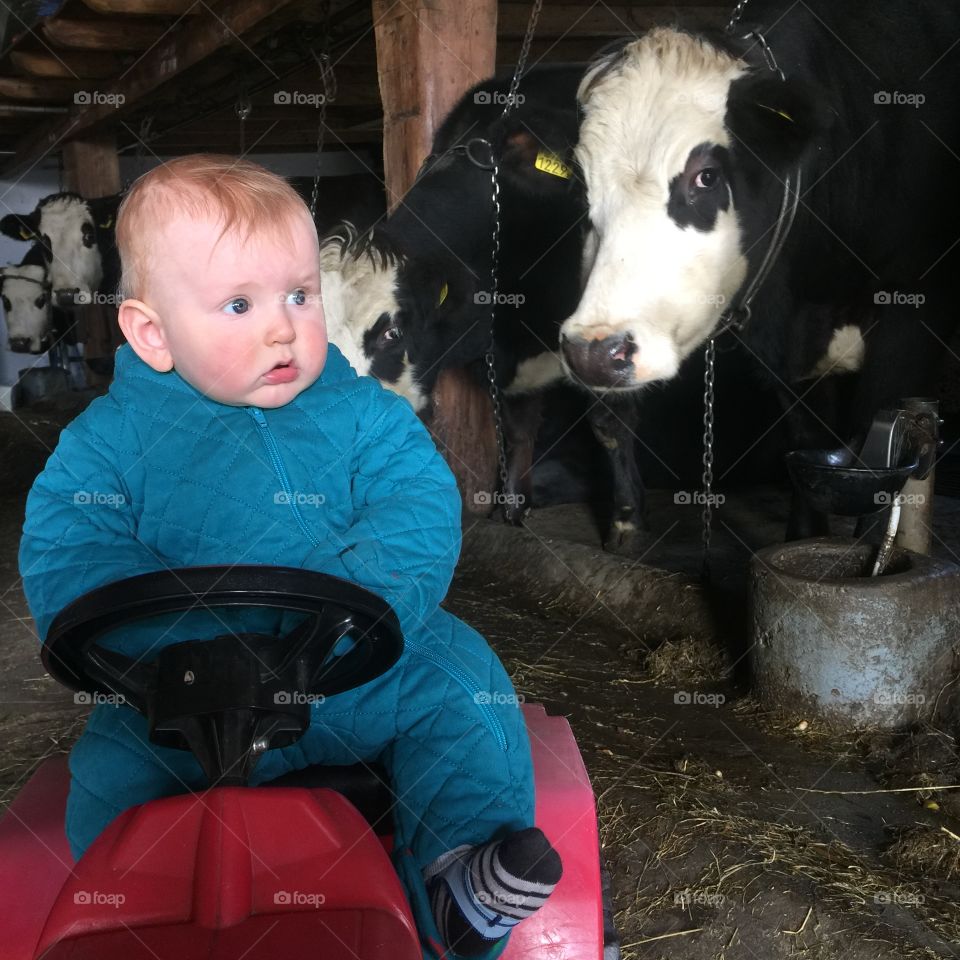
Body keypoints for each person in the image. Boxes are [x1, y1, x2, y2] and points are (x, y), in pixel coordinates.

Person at [18, 154, 561, 960]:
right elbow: (69, 548)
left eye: (299, 295)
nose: (283, 327)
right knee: (102, 771)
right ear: (152, 333)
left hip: (348, 675)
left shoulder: (364, 417)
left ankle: (456, 877)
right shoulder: (106, 443)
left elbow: (415, 509)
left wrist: (361, 608)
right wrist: (161, 653)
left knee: (461, 678)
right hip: (175, 702)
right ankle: (128, 912)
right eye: (239, 304)